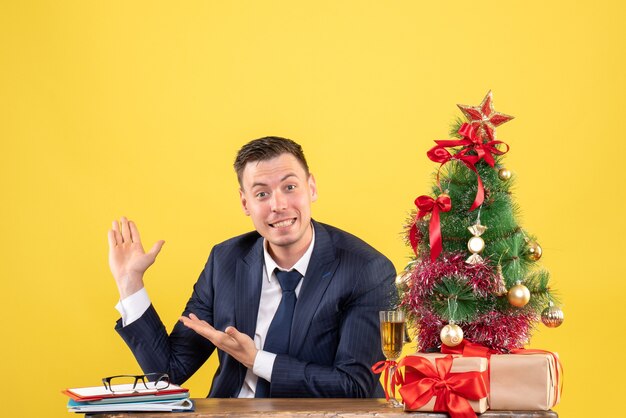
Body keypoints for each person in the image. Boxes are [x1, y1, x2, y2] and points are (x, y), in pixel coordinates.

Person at [108, 136, 396, 398]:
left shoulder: (367, 270)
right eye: (262, 194)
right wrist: (130, 283)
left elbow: (355, 385)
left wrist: (256, 360)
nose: (278, 205)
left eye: (290, 187)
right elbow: (170, 372)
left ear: (312, 188)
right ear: (245, 202)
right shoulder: (226, 261)